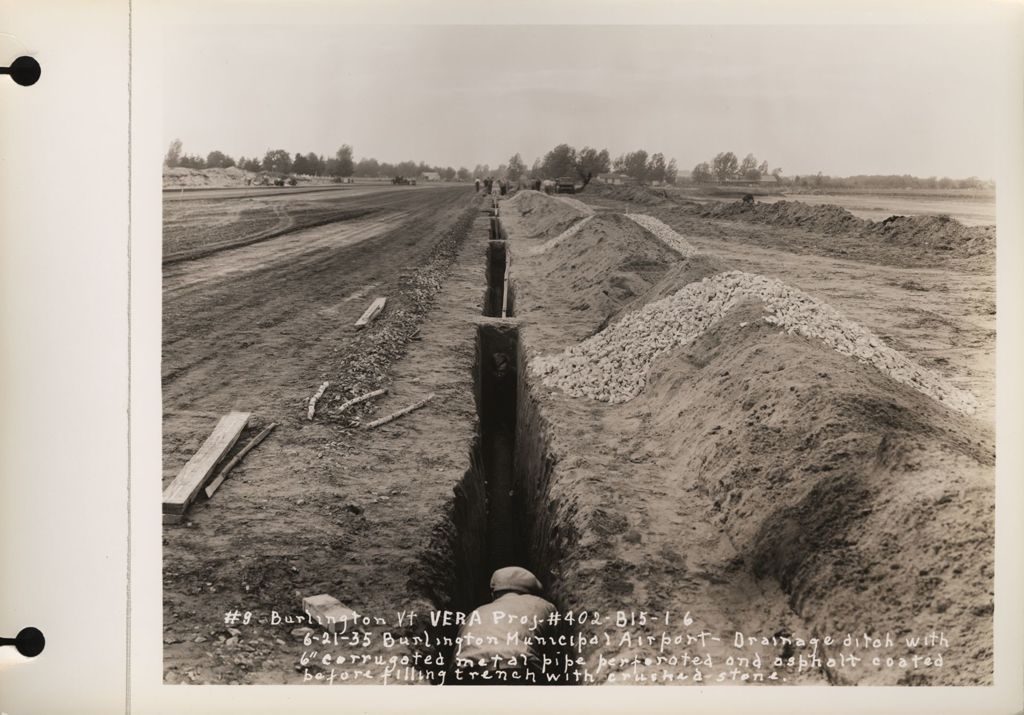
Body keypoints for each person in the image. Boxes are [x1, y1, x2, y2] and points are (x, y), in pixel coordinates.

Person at [450, 566, 556, 684]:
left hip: (468, 677)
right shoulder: (544, 606)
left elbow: (455, 659)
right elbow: (555, 656)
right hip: (517, 673)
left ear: (494, 593)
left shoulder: (473, 614)